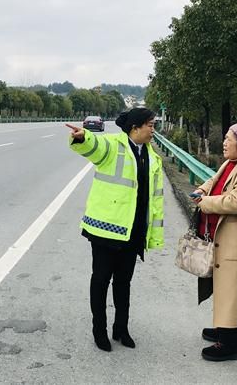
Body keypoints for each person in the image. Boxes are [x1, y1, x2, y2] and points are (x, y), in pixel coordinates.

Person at [65, 108, 164, 352]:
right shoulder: (113, 145)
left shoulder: (151, 156)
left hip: (133, 231)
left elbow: (153, 198)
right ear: (135, 127)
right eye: (150, 125)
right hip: (105, 230)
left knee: (123, 282)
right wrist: (83, 137)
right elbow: (94, 145)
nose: (153, 130)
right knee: (100, 280)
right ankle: (99, 330)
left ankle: (121, 329)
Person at [190, 121, 237, 362]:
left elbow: (236, 202)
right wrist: (202, 190)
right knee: (222, 286)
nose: (224, 143)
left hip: (234, 240)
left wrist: (204, 203)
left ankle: (230, 343)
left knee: (232, 289)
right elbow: (214, 181)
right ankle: (224, 329)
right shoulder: (232, 162)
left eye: (228, 139)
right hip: (220, 236)